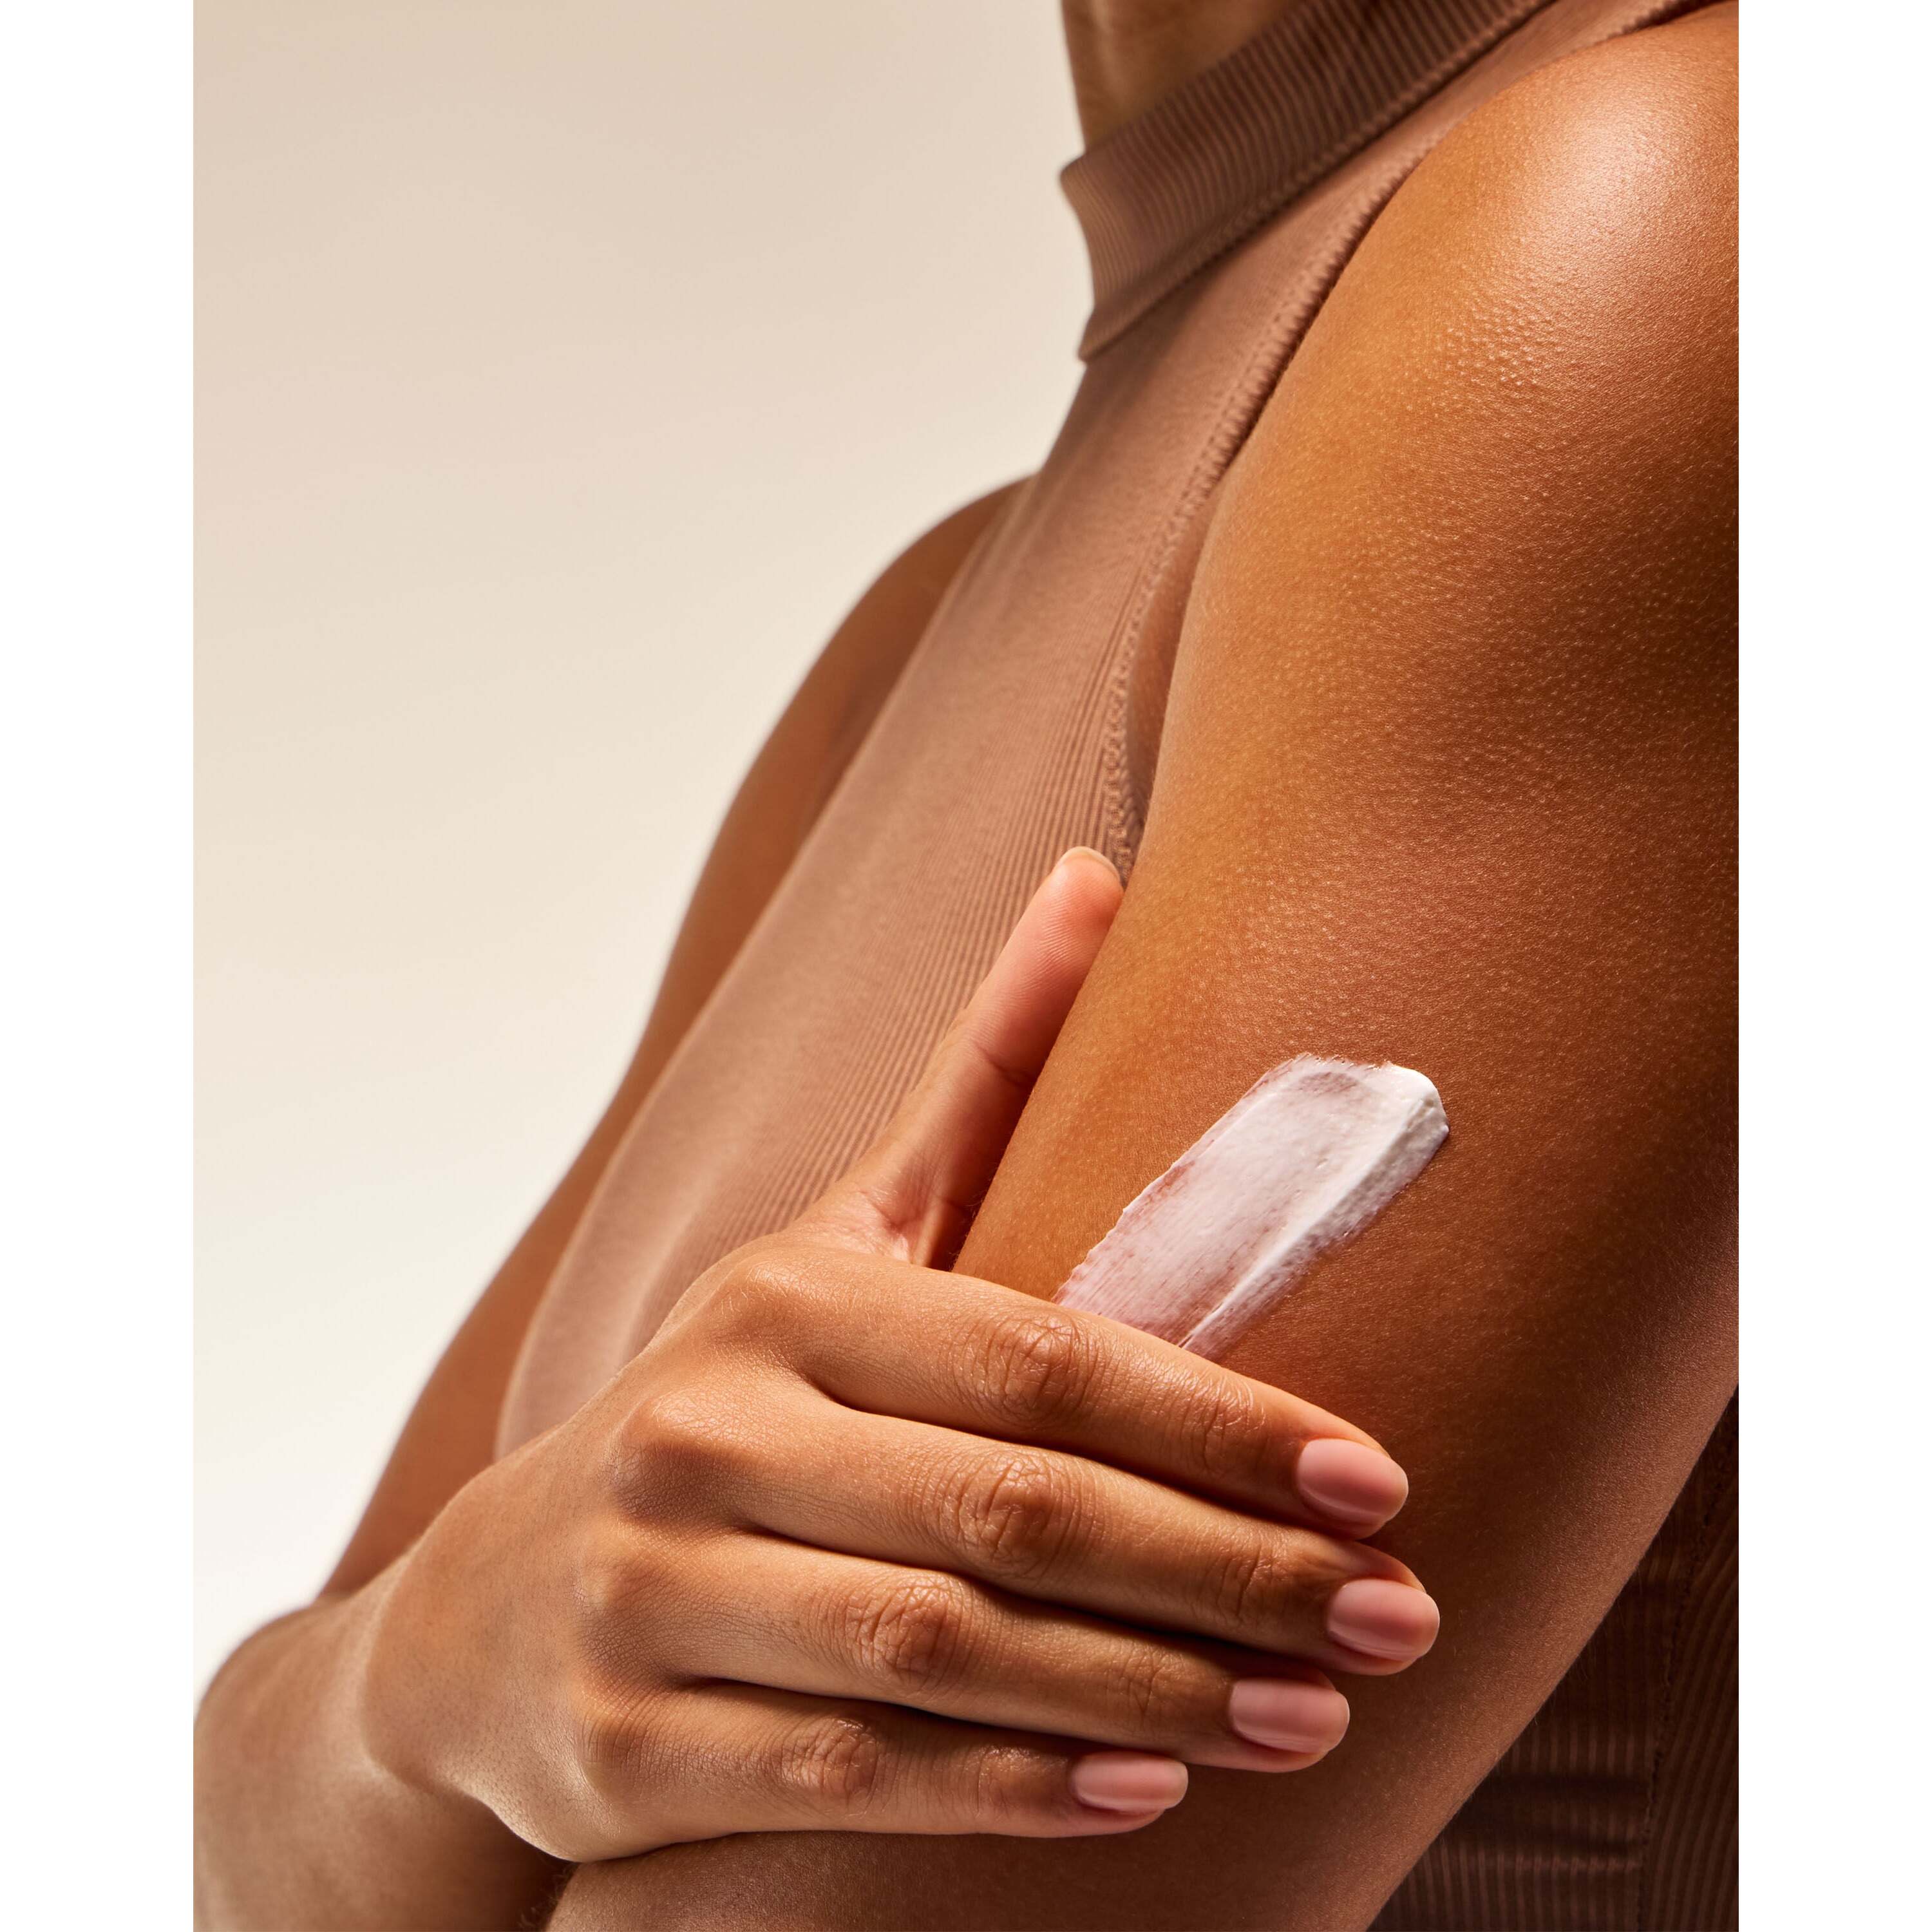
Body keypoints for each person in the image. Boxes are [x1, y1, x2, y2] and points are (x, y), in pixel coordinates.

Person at [194, 1, 1738, 1926]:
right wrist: (421, 1676)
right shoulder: (923, 633)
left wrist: (393, 1760)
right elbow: (238, 1834)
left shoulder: (1662, 241)